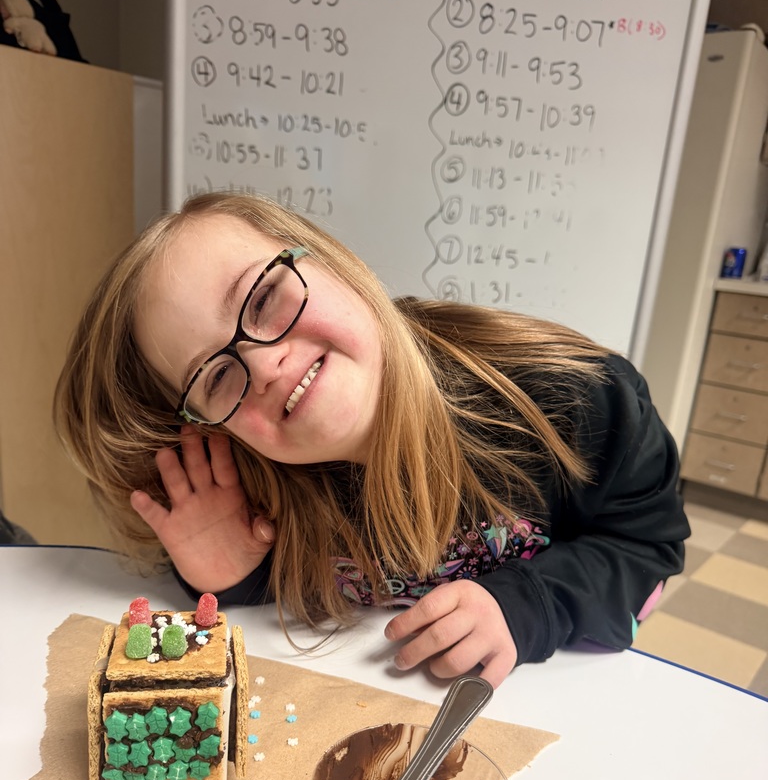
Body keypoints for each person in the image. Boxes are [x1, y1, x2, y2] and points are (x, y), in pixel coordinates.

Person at [54, 191, 689, 688]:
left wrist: (530, 605)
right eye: (217, 377)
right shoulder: (258, 486)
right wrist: (236, 578)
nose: (266, 362)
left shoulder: (575, 397)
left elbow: (647, 551)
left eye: (266, 297)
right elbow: (299, 607)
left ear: (328, 259)